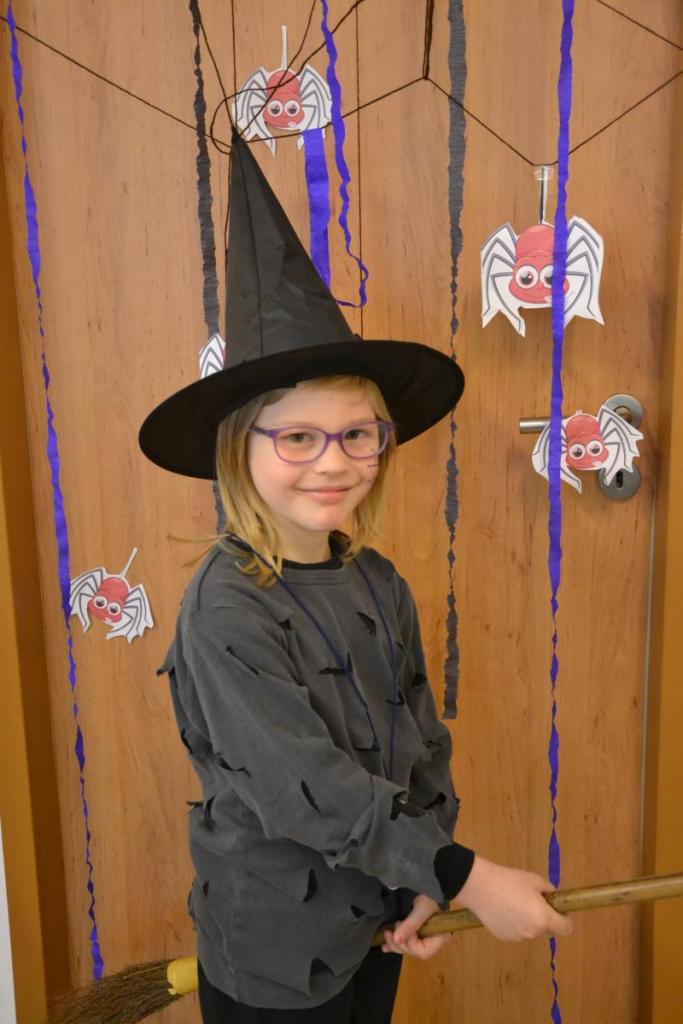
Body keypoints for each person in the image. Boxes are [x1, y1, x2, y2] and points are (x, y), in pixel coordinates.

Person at [139, 131, 572, 1023]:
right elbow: (302, 782)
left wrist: (425, 875)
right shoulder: (226, 608)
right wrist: (465, 875)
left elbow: (419, 735)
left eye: (357, 434)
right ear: (239, 451)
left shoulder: (377, 581)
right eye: (298, 437)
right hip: (275, 945)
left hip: (380, 911)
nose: (333, 462)